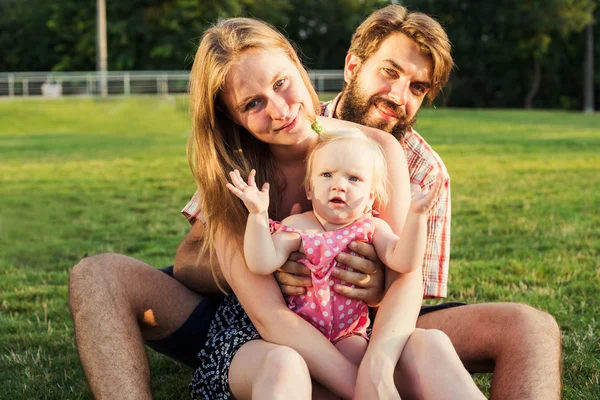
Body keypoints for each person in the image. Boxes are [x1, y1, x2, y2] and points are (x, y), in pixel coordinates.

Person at [68, 5, 561, 400]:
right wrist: (261, 259)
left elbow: (407, 282)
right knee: (97, 272)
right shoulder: (236, 169)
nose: (280, 111)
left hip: (359, 325)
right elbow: (199, 266)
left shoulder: (395, 155)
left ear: (296, 68)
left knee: (503, 331)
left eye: (417, 87)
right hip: (257, 327)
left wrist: (377, 323)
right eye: (252, 103)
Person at [226, 129, 442, 347]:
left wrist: (417, 216)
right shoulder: (297, 227)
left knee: (356, 358)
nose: (339, 185)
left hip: (349, 333)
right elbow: (261, 263)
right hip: (299, 333)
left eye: (354, 178)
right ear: (309, 189)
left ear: (370, 198)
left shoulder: (371, 228)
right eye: (327, 174)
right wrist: (257, 215)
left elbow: (404, 261)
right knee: (294, 364)